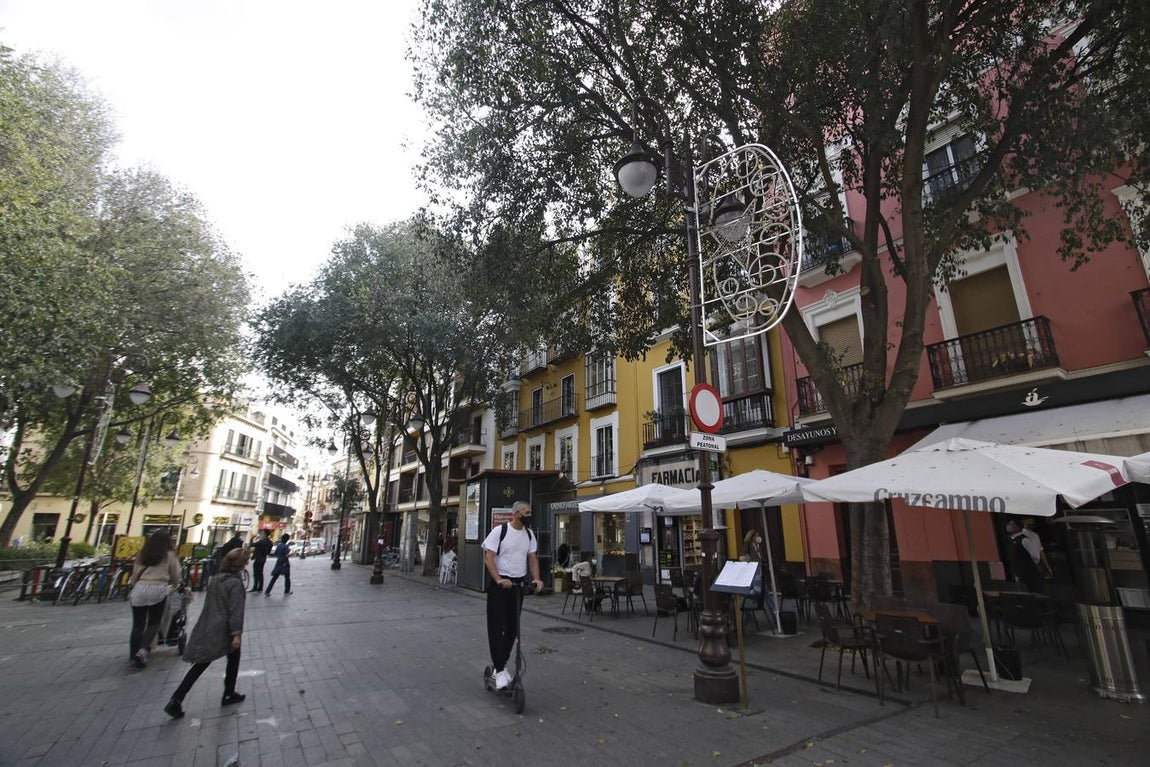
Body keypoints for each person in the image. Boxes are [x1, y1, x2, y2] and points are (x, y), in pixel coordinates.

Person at [163, 548, 249, 719]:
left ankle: (178, 698)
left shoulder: (215, 580)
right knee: (229, 658)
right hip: (224, 628)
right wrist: (236, 633)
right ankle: (227, 693)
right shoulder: (235, 584)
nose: (247, 563)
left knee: (204, 663)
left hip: (209, 625)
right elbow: (235, 610)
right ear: (240, 565)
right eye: (245, 561)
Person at [481, 501, 543, 690]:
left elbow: (532, 558)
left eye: (530, 511)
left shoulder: (529, 535)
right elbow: (489, 558)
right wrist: (499, 579)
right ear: (516, 513)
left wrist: (537, 579)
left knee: (513, 628)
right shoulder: (500, 532)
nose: (529, 514)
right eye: (526, 512)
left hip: (517, 586)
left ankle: (500, 665)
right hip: (501, 585)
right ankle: (499, 670)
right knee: (496, 626)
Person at [128, 530, 181, 669]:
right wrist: (175, 586)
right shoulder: (169, 555)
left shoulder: (142, 554)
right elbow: (176, 575)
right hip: (158, 589)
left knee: (138, 625)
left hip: (139, 589)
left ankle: (133, 656)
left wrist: (135, 586)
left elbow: (134, 575)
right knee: (154, 623)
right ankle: (143, 650)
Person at [1006, 519, 1044, 593]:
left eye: (1012, 524)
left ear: (1017, 527)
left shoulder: (1024, 540)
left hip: (1028, 574)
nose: (1009, 526)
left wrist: (1029, 565)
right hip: (1019, 573)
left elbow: (1035, 556)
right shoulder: (1012, 540)